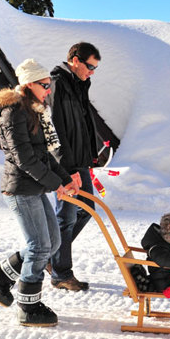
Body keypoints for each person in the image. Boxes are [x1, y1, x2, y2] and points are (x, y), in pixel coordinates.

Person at [0, 58, 79, 327]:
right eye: (44, 85)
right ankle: (28, 306)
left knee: (53, 243)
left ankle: (0, 277)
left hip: (34, 187)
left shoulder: (33, 110)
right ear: (29, 84)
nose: (49, 90)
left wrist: (66, 179)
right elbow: (24, 159)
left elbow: (44, 157)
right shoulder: (13, 112)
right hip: (20, 189)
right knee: (38, 246)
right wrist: (56, 184)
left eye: (50, 85)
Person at [48, 42, 102, 292]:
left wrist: (89, 158)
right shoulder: (58, 83)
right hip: (66, 164)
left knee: (86, 208)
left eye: (95, 68)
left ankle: (51, 259)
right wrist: (66, 168)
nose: (92, 72)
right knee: (66, 217)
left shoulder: (79, 85)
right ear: (75, 60)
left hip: (80, 162)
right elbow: (55, 129)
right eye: (90, 66)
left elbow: (82, 125)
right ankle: (60, 272)